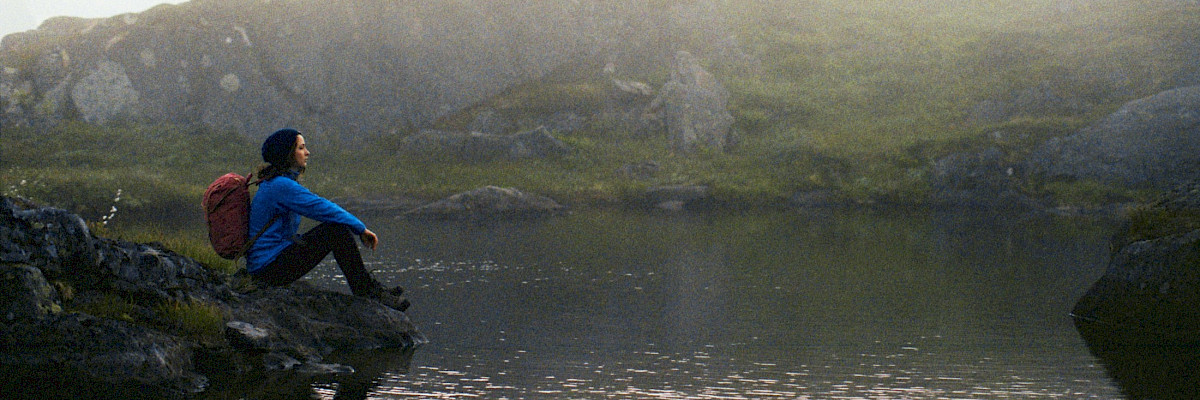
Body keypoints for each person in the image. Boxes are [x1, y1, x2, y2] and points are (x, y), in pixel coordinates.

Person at [246, 128, 408, 311]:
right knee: (336, 231)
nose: (307, 152)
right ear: (288, 154)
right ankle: (368, 291)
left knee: (334, 231)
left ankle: (369, 288)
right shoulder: (281, 185)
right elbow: (320, 207)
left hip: (266, 265)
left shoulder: (276, 182)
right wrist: (360, 228)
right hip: (268, 269)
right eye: (301, 148)